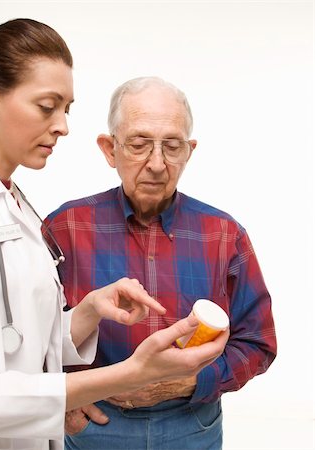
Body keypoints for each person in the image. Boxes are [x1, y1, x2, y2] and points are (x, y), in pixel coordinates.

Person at [0, 21, 229, 450]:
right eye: (47, 106)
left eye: (66, 108)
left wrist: (87, 311)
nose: (63, 126)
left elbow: (17, 341)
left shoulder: (12, 202)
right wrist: (132, 374)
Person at [44, 76, 277, 450]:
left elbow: (258, 342)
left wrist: (189, 382)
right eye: (138, 144)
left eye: (172, 146)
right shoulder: (65, 228)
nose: (156, 163)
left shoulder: (224, 234)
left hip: (192, 423)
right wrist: (67, 403)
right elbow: (31, 339)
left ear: (189, 151)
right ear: (109, 149)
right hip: (96, 426)